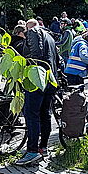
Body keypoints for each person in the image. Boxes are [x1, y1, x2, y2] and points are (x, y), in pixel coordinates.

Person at [16, 20, 61, 166]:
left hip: (37, 80)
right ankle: (43, 147)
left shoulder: (33, 32)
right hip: (51, 79)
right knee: (44, 114)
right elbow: (57, 60)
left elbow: (36, 55)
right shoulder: (50, 37)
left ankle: (32, 151)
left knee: (31, 114)